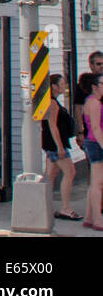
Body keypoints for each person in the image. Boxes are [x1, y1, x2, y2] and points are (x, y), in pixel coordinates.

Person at [42, 74, 80, 221]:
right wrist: (60, 147)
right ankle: (65, 208)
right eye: (62, 84)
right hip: (55, 145)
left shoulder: (54, 102)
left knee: (50, 175)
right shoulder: (52, 103)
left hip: (51, 144)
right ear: (54, 86)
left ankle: (46, 207)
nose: (64, 86)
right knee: (70, 172)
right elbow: (52, 126)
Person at [81, 73, 103, 231]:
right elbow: (96, 128)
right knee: (98, 184)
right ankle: (97, 219)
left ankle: (89, 217)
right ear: (95, 86)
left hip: (93, 143)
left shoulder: (90, 100)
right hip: (96, 143)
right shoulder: (95, 103)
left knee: (95, 183)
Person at [75, 53, 103, 150]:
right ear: (91, 65)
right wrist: (80, 131)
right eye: (98, 64)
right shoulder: (85, 85)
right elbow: (78, 109)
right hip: (91, 134)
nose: (102, 66)